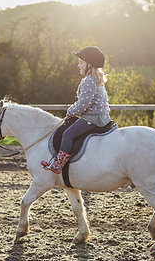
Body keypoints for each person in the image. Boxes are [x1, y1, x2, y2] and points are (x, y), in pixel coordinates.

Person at [41, 46, 111, 174]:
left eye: (81, 63)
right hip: (100, 117)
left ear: (89, 65)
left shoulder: (88, 81)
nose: (79, 66)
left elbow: (83, 104)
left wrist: (70, 110)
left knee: (68, 134)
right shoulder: (96, 80)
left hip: (92, 118)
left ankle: (58, 164)